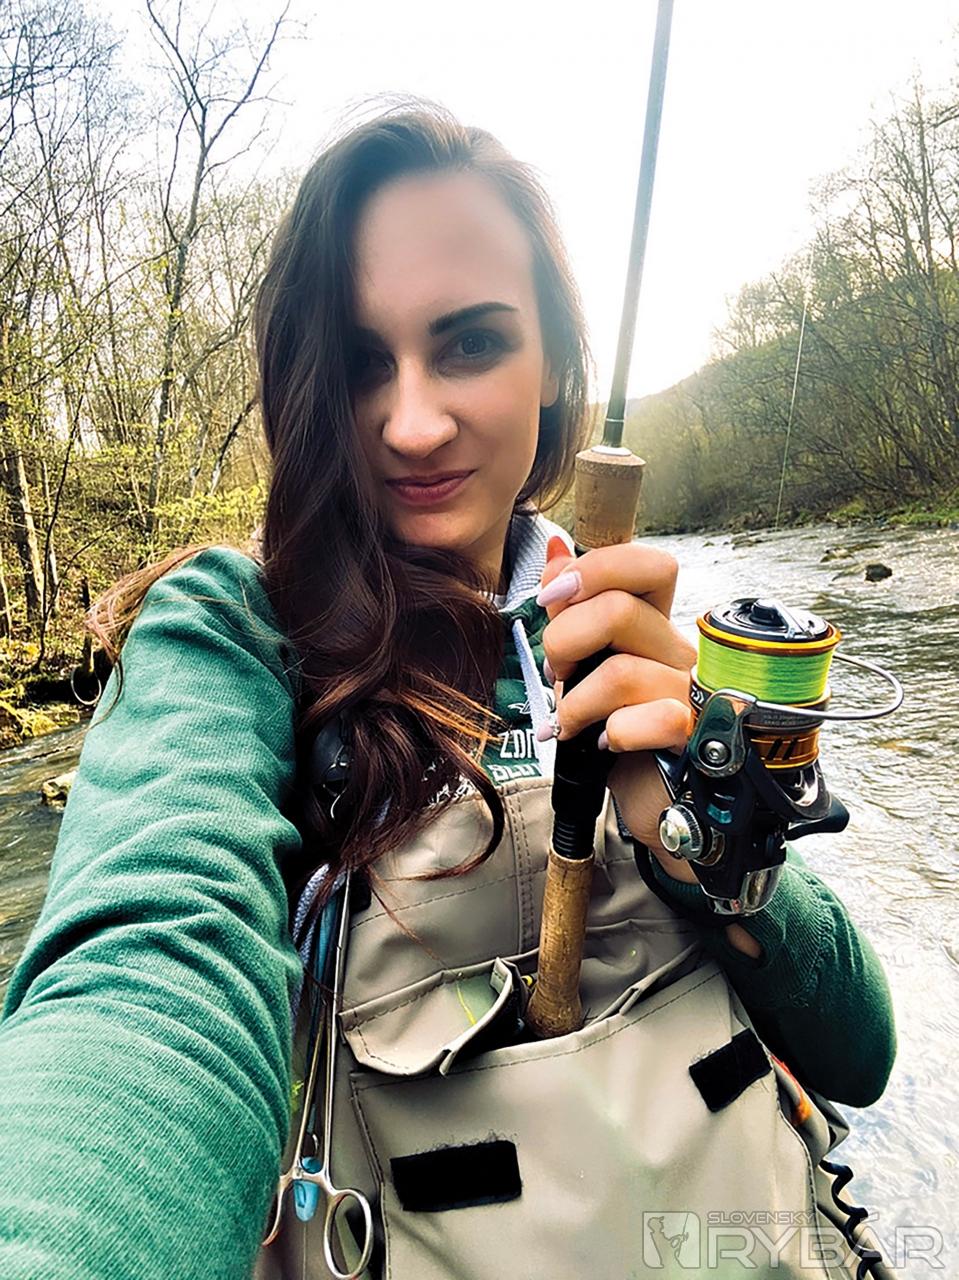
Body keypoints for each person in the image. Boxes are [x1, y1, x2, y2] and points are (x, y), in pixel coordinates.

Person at [0, 102, 896, 1280]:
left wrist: (702, 833)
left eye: (469, 343)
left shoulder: (619, 628)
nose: (413, 423)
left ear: (556, 365)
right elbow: (151, 976)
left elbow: (859, 1050)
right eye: (361, 363)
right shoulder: (227, 634)